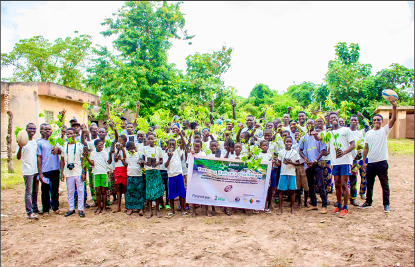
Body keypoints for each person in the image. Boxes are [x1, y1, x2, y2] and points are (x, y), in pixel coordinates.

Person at [359, 101, 397, 213]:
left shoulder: (384, 130)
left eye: (378, 120)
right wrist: (364, 162)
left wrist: (394, 107)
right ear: (373, 121)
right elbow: (366, 148)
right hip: (371, 163)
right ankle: (368, 202)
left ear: (382, 121)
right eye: (375, 120)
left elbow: (393, 120)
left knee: (384, 184)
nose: (376, 121)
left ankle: (386, 205)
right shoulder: (368, 133)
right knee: (369, 184)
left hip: (382, 163)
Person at [327, 112, 355, 218]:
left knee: (344, 184)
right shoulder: (330, 133)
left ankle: (345, 207)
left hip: (345, 161)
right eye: (331, 118)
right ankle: (338, 205)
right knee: (337, 184)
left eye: (335, 117)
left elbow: (353, 145)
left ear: (338, 119)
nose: (333, 119)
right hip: (335, 162)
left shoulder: (346, 130)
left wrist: (343, 152)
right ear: (329, 120)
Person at [299, 119, 327, 213]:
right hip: (308, 164)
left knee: (320, 184)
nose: (309, 125)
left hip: (317, 164)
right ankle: (314, 204)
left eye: (311, 123)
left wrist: (315, 160)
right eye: (308, 124)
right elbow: (300, 150)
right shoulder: (303, 137)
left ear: (314, 125)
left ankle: (324, 205)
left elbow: (323, 150)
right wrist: (305, 158)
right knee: (310, 184)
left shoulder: (319, 136)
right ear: (306, 125)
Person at [61, 128, 86, 218]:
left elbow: (83, 160)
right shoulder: (64, 145)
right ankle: (71, 208)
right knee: (70, 192)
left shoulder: (80, 145)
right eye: (67, 134)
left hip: (78, 172)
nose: (69, 136)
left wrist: (83, 172)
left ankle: (81, 209)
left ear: (75, 134)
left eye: (71, 134)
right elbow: (62, 159)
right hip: (68, 173)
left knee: (80, 191)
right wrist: (62, 172)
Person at [37, 124, 62, 216]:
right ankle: (45, 209)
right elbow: (39, 158)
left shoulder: (55, 141)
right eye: (45, 129)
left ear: (52, 131)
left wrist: (57, 148)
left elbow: (60, 152)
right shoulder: (40, 143)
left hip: (55, 169)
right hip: (45, 170)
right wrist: (40, 173)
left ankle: (55, 207)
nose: (47, 131)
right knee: (45, 190)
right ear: (42, 131)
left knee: (55, 189)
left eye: (49, 129)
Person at [16, 123, 39, 219]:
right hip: (27, 170)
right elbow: (18, 157)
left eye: (34, 128)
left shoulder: (34, 141)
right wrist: (20, 147)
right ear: (26, 129)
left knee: (35, 191)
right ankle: (29, 212)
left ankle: (34, 208)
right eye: (30, 128)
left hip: (35, 170)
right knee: (28, 192)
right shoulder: (22, 142)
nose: (32, 130)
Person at [84, 139, 112, 215]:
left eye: (102, 145)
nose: (101, 146)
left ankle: (104, 208)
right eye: (99, 145)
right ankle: (99, 208)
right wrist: (87, 157)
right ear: (95, 146)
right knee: (98, 192)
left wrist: (110, 155)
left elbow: (109, 162)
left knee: (104, 191)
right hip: (96, 174)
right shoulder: (93, 153)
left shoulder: (105, 153)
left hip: (103, 174)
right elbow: (92, 164)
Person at [164, 133, 187, 218]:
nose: (172, 146)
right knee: (171, 194)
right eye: (170, 145)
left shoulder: (178, 151)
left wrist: (180, 134)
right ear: (167, 145)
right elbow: (165, 165)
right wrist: (169, 157)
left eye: (173, 145)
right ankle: (172, 210)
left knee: (182, 192)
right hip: (171, 176)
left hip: (179, 174)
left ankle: (183, 209)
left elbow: (184, 144)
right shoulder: (165, 154)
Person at [276, 136, 300, 215]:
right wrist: (275, 162)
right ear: (284, 142)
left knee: (292, 191)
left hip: (292, 173)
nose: (288, 143)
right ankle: (280, 208)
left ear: (292, 143)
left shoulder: (295, 152)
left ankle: (293, 208)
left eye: (290, 142)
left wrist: (291, 163)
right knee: (281, 191)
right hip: (283, 173)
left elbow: (298, 163)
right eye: (287, 142)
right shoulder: (281, 152)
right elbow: (279, 163)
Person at [142, 133, 164, 218]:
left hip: (156, 170)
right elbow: (142, 159)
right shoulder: (145, 149)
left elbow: (162, 160)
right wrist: (145, 162)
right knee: (149, 190)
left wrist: (158, 162)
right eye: (149, 139)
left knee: (157, 190)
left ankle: (157, 210)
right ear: (147, 140)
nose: (150, 140)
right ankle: (150, 210)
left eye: (152, 139)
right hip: (148, 171)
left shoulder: (158, 149)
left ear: (155, 140)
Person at [121, 141, 145, 216]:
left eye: (132, 149)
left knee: (139, 191)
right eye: (129, 150)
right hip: (130, 174)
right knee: (130, 191)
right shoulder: (128, 154)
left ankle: (140, 208)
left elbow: (143, 165)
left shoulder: (140, 154)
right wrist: (122, 160)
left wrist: (141, 163)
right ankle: (130, 208)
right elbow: (126, 164)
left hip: (138, 175)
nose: (131, 151)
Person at [255, 140, 276, 214]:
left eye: (266, 145)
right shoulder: (258, 155)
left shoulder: (269, 155)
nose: (265, 147)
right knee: (259, 191)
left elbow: (272, 167)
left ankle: (265, 206)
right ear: (260, 147)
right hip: (260, 175)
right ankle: (257, 206)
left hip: (268, 176)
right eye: (263, 145)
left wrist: (272, 163)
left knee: (266, 190)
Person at [188, 139, 206, 217]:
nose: (197, 148)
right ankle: (194, 210)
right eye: (195, 146)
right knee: (193, 193)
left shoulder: (203, 154)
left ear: (201, 147)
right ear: (193, 146)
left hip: (201, 176)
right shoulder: (190, 154)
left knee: (204, 192)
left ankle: (206, 210)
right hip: (193, 176)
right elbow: (188, 165)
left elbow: (205, 164)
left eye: (198, 146)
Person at [113, 137, 128, 213]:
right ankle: (118, 207)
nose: (119, 142)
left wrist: (123, 150)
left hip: (124, 169)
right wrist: (118, 150)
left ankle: (126, 206)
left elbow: (125, 159)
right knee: (118, 188)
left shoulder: (126, 149)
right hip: (117, 169)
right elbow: (115, 159)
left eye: (120, 140)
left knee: (125, 189)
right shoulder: (116, 150)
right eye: (118, 141)